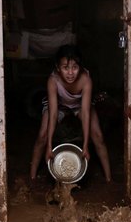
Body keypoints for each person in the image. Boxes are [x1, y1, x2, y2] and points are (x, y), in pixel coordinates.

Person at [29, 44, 112, 182]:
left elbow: (85, 112)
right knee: (42, 136)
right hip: (59, 106)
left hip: (79, 105)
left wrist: (85, 145)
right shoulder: (53, 80)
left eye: (74, 67)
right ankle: (32, 176)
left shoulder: (85, 79)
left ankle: (109, 179)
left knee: (98, 136)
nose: (70, 73)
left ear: (80, 67)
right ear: (57, 67)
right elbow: (54, 113)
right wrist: (49, 146)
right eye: (65, 68)